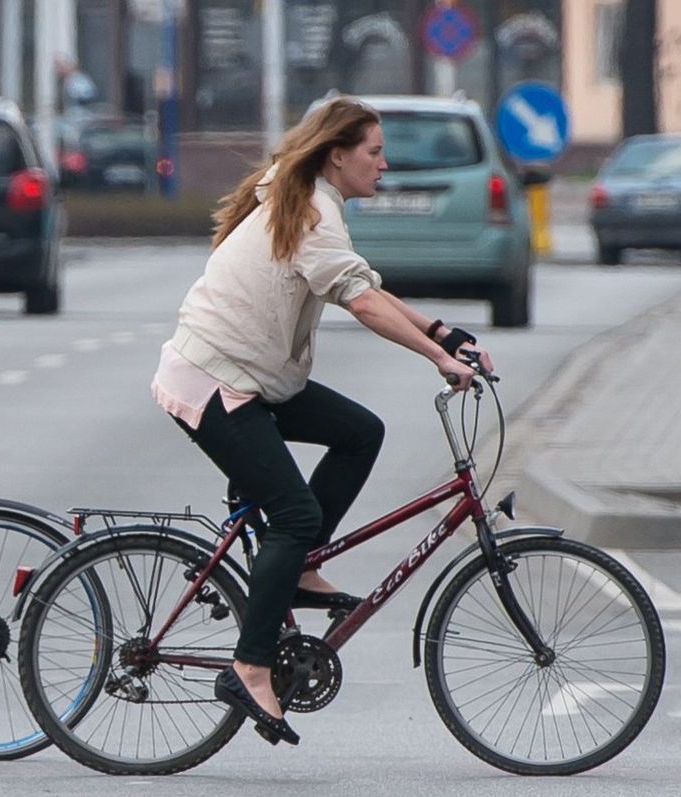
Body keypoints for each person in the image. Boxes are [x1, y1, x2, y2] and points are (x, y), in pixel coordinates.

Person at [149, 98, 493, 745]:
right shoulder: (310, 208)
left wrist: (442, 331)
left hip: (256, 378)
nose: (385, 165)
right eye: (375, 152)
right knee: (296, 511)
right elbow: (360, 301)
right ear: (338, 154)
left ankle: (298, 565)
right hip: (217, 380)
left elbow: (361, 282)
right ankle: (248, 665)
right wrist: (438, 358)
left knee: (362, 431)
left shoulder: (311, 200)